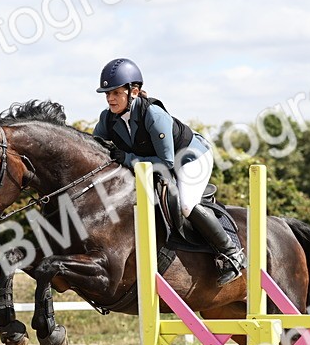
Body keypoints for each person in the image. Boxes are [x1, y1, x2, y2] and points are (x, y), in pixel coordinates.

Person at [91, 58, 244, 286]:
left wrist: (128, 158)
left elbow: (166, 163)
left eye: (115, 93)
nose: (110, 99)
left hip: (191, 158)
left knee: (186, 204)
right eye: (107, 94)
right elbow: (96, 147)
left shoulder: (153, 114)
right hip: (148, 165)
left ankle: (232, 254)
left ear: (133, 91)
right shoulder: (108, 118)